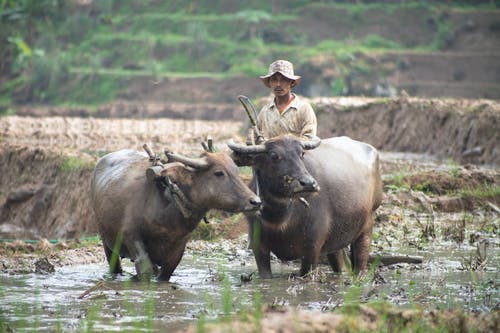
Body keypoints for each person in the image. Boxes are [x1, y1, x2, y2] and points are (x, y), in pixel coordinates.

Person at [251, 59, 317, 143]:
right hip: (270, 155)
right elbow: (255, 139)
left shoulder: (304, 109)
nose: (278, 84)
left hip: (296, 155)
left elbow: (309, 138)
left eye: (283, 80)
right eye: (274, 79)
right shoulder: (265, 111)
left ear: (291, 83)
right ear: (270, 83)